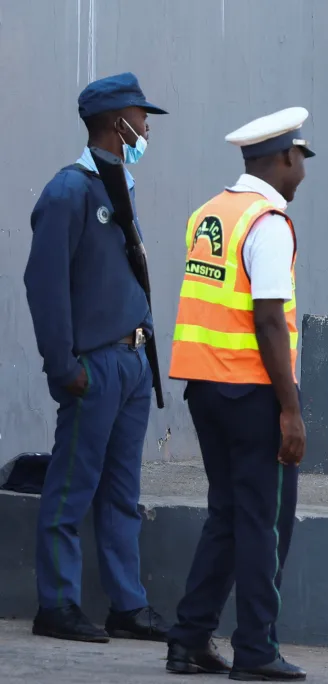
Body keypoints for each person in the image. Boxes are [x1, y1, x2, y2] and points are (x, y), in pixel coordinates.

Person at [163, 107, 313, 681]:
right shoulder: (268, 221)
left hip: (205, 387)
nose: (303, 170)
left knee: (227, 513)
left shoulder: (211, 212)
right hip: (253, 391)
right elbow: (270, 319)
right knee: (264, 521)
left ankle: (189, 638)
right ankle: (256, 649)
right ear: (281, 159)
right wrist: (291, 410)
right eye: (301, 159)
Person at [24, 72, 170, 644]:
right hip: (94, 367)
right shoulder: (70, 192)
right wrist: (65, 367)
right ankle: (56, 604)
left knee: (120, 491)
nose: (147, 126)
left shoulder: (119, 184)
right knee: (70, 487)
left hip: (130, 363)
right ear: (117, 123)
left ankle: (127, 605)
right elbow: (46, 287)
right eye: (142, 116)